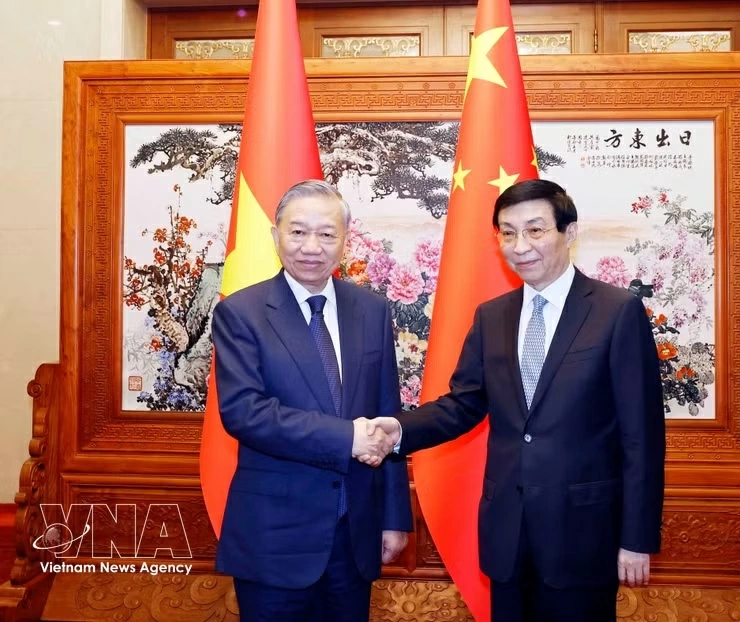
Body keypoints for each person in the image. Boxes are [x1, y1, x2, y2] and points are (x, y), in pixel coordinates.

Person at [365, 179, 665, 621]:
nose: (520, 245)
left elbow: (642, 437)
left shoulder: (616, 311)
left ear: (570, 233)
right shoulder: (493, 315)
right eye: (507, 232)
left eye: (535, 230)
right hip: (507, 531)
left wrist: (636, 538)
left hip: (583, 534)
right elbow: (464, 404)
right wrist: (400, 430)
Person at [211, 179, 413, 622]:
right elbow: (245, 412)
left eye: (326, 233)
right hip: (275, 538)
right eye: (297, 231)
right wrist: (348, 438)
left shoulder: (372, 310)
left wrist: (395, 515)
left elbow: (387, 413)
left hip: (354, 534)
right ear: (275, 235)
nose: (311, 246)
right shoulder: (241, 313)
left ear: (345, 239)